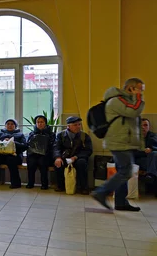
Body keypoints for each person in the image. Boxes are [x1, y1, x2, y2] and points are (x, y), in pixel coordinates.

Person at [92, 78, 145, 211]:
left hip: (124, 142)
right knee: (125, 171)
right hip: (118, 142)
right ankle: (101, 192)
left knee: (124, 171)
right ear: (130, 88)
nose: (141, 92)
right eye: (139, 89)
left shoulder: (126, 101)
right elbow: (134, 111)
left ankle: (121, 202)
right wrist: (139, 97)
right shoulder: (116, 100)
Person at [54, 116, 93, 194]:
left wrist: (75, 157)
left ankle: (84, 187)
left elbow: (88, 150)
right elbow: (56, 148)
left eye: (79, 124)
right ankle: (60, 185)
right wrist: (57, 157)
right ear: (68, 126)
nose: (78, 127)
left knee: (82, 163)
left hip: (78, 157)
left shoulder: (84, 136)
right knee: (59, 163)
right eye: (75, 125)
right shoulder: (61, 135)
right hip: (65, 157)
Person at [0, 119, 28, 188]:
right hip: (1, 154)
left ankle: (15, 183)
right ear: (5, 125)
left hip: (15, 155)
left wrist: (12, 142)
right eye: (8, 124)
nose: (10, 125)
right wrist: (3, 142)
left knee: (11, 160)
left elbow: (24, 146)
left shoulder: (20, 135)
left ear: (15, 126)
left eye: (12, 124)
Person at [26, 114, 56, 190]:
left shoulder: (51, 134)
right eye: (38, 122)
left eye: (42, 122)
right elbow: (28, 144)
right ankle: (30, 183)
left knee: (43, 162)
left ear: (45, 123)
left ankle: (44, 184)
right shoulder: (32, 133)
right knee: (31, 163)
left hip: (45, 155)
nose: (40, 124)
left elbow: (52, 145)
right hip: (33, 154)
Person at [134, 118, 157, 187]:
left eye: (145, 125)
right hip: (139, 161)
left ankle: (150, 176)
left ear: (149, 127)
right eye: (140, 126)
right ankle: (151, 176)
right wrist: (144, 152)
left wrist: (151, 149)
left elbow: (155, 146)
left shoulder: (153, 136)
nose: (143, 127)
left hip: (151, 161)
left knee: (154, 154)